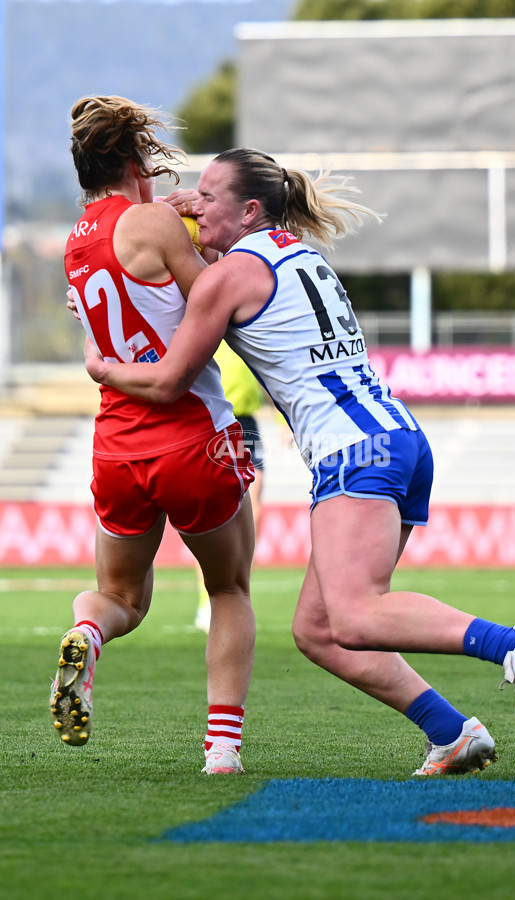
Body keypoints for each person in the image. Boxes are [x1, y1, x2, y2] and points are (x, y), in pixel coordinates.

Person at [84, 147, 515, 776]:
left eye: (206, 196)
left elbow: (170, 380)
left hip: (354, 450)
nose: (192, 204)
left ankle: (512, 643)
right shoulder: (292, 253)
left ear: (249, 209)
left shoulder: (231, 274)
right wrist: (183, 216)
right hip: (395, 438)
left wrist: (102, 363)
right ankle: (452, 733)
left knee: (356, 612)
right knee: (319, 630)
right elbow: (203, 265)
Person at [53, 98, 256, 776]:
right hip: (190, 434)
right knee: (228, 587)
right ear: (134, 164)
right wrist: (210, 240)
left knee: (117, 599)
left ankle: (86, 636)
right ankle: (221, 751)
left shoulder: (75, 243)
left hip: (115, 441)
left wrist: (175, 221)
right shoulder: (152, 222)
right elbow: (217, 301)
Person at [194, 340, 264, 632]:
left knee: (255, 504)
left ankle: (236, 591)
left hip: (246, 421)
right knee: (211, 515)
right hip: (215, 418)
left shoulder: (245, 327)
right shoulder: (203, 320)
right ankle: (206, 600)